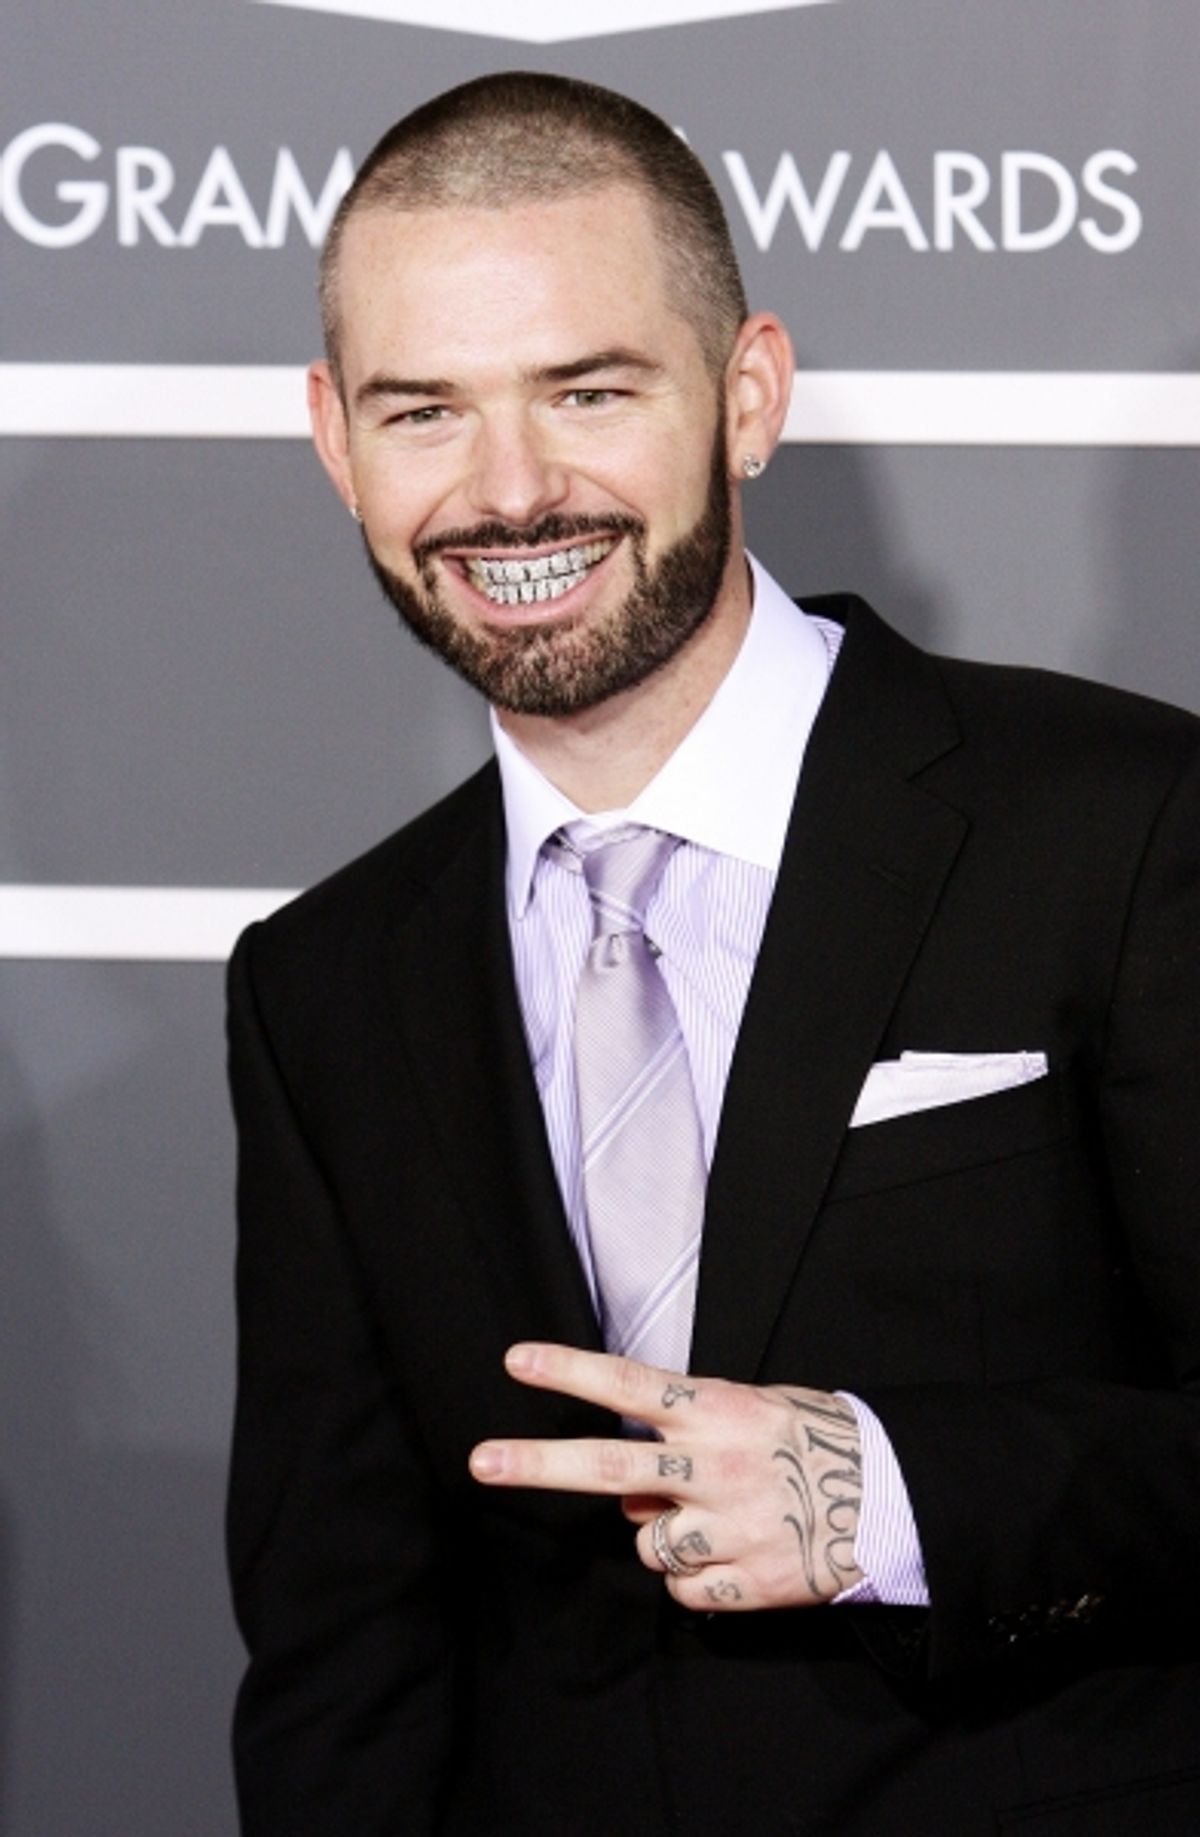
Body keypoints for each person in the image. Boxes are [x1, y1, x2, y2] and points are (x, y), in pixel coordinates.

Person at [225, 71, 1200, 1837]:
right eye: (423, 409)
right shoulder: (323, 980)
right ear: (331, 437)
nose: (510, 494)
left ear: (747, 397)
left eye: (587, 392)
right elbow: (342, 1649)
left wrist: (895, 1493)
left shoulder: (1125, 823)